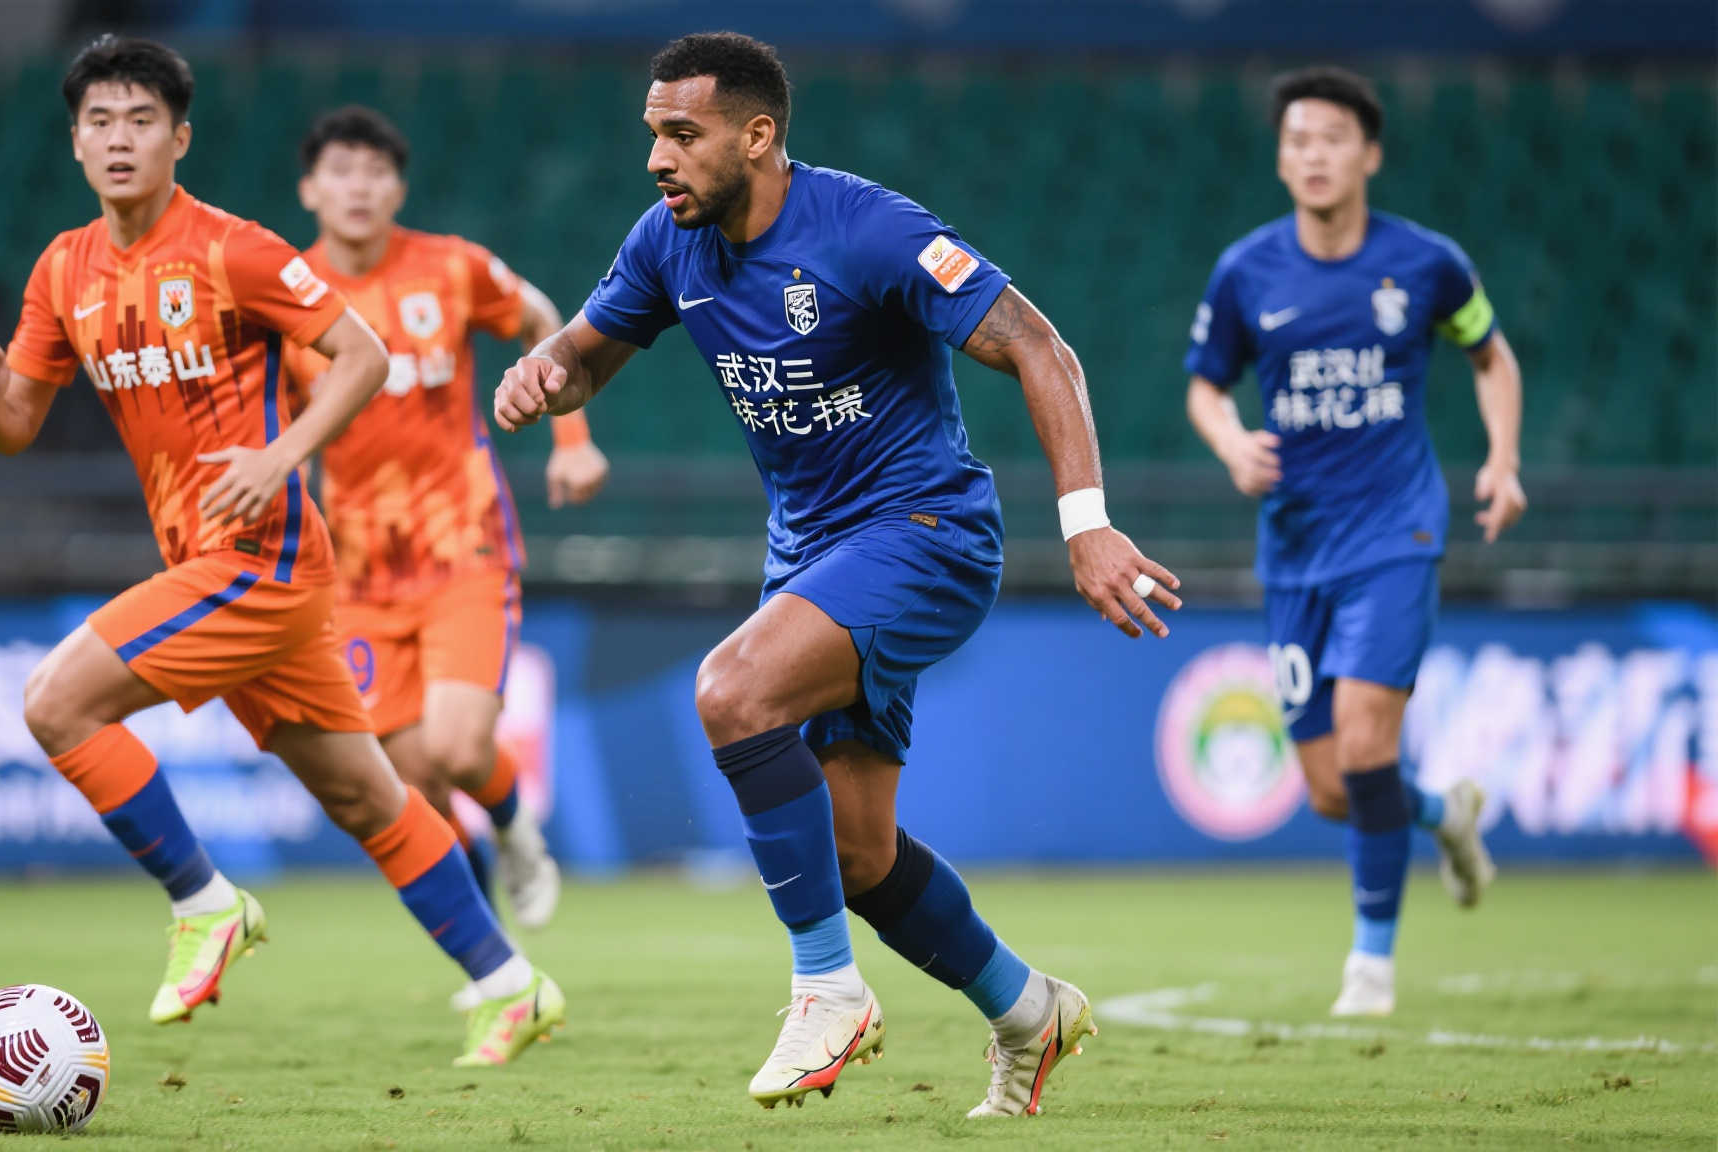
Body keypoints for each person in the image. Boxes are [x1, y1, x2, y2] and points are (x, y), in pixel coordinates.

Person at [492, 31, 1180, 1116]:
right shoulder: (667, 241)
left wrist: (1086, 525)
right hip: (812, 554)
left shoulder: (869, 229)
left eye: (682, 134)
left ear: (757, 136)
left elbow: (1040, 347)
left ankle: (826, 990)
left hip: (926, 534)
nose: (657, 158)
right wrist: (544, 373)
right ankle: (1028, 1011)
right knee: (857, 856)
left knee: (732, 692)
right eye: (652, 134)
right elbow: (585, 357)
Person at [0, 34, 562, 1065]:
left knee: (56, 704)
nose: (119, 139)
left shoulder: (233, 250)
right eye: (99, 121)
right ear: (75, 143)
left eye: (142, 120)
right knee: (370, 797)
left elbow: (362, 355)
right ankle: (511, 983)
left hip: (260, 562)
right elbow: (15, 426)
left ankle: (204, 902)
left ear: (180, 139)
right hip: (212, 563)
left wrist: (280, 457)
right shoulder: (63, 269)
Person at [1183, 65, 1520, 1017]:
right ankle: (1444, 814)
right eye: (1297, 140)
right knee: (1336, 787)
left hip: (1395, 531)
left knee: (1370, 742)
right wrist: (1230, 442)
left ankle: (1370, 969)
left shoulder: (1427, 264)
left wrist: (1502, 459)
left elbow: (1491, 355)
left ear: (1369, 154)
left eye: (1332, 138)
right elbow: (1206, 385)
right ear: (1281, 160)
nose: (1314, 155)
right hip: (1296, 550)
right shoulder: (1246, 272)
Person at [284, 107, 610, 975]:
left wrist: (572, 440)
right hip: (358, 573)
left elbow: (542, 318)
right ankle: (498, 964)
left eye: (375, 172)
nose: (359, 188)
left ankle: (515, 826)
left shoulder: (452, 266)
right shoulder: (289, 298)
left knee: (460, 748)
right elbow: (282, 435)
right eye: (340, 171)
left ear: (398, 188)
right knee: (414, 786)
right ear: (310, 190)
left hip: (463, 544)